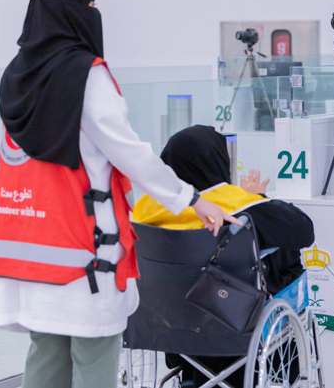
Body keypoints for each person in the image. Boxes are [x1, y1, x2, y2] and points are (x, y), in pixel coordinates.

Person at [0, 0, 236, 388]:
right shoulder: (87, 75)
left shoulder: (17, 75)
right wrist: (191, 199)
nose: (94, 15)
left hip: (30, 251)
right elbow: (132, 154)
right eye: (89, 6)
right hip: (84, 256)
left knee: (46, 356)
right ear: (73, 12)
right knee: (94, 357)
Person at [131, 124, 315, 387]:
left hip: (174, 336)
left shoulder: (143, 213)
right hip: (238, 331)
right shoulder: (237, 206)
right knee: (284, 253)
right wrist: (255, 196)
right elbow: (303, 230)